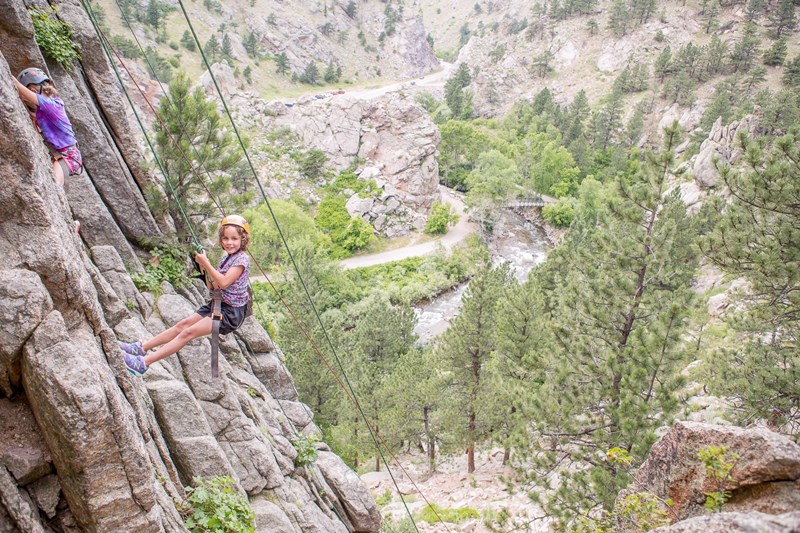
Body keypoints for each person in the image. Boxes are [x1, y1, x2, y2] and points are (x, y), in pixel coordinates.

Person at [120, 215, 252, 376]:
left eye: (234, 238)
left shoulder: (242, 260)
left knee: (187, 333)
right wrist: (204, 270)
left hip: (230, 313)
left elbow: (224, 283)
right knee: (183, 325)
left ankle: (143, 363)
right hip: (218, 303)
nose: (229, 242)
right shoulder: (227, 258)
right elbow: (214, 286)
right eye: (225, 238)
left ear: (242, 240)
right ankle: (140, 348)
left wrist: (206, 263)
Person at [14, 68, 83, 188]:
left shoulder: (50, 105)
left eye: (30, 90)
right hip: (62, 154)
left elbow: (16, 85)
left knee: (55, 187)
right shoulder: (50, 104)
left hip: (68, 156)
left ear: (33, 89)